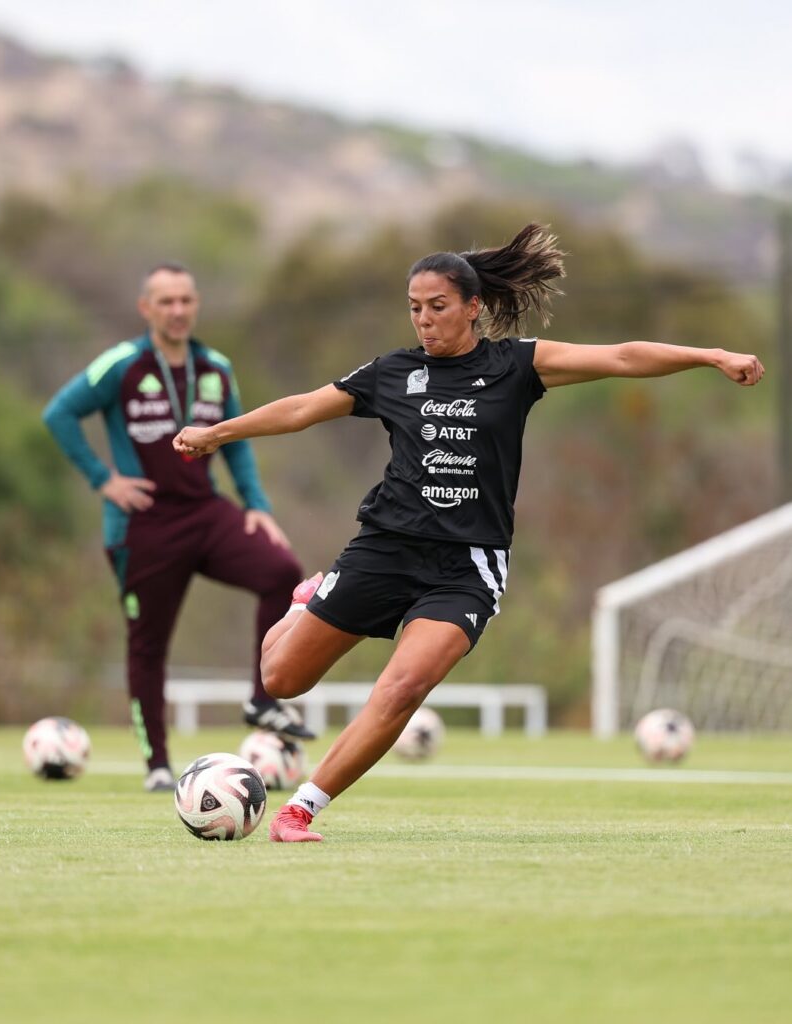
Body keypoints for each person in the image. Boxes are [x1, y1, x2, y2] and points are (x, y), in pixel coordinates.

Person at [173, 224, 765, 839]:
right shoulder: (392, 373)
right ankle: (305, 602)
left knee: (404, 686)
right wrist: (219, 433)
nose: (424, 321)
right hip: (384, 548)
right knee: (282, 680)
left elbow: (619, 356)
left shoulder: (517, 365)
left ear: (473, 306)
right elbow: (300, 408)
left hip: (465, 568)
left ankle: (301, 809)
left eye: (438, 307)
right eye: (414, 309)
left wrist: (710, 356)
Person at [44, 262, 312, 793]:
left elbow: (235, 438)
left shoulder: (215, 368)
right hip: (143, 526)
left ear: (196, 304)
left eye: (186, 300)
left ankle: (261, 701)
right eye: (166, 301)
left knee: (282, 570)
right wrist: (104, 480)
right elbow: (59, 414)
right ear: (146, 307)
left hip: (205, 512)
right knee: (149, 645)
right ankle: (158, 766)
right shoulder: (122, 365)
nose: (177, 310)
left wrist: (255, 502)